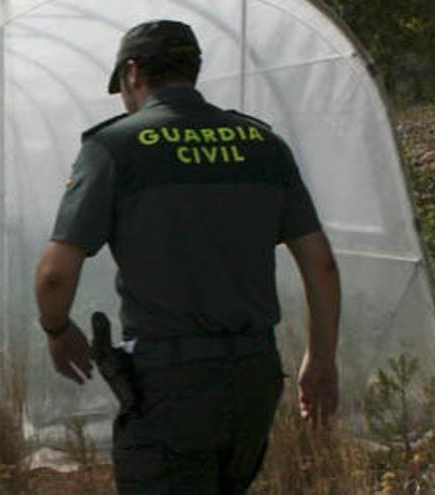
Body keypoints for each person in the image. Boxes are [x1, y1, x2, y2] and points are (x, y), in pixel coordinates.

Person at [34, 20, 341, 494]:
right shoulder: (263, 145)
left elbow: (56, 276)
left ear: (134, 74)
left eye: (122, 87)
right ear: (191, 70)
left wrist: (57, 329)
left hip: (170, 388)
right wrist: (320, 359)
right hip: (254, 379)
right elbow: (321, 264)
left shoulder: (114, 147)